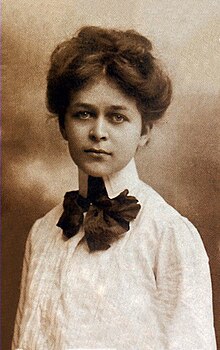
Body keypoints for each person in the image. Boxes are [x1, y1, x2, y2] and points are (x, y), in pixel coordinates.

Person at [12, 26, 216, 350]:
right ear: (64, 125)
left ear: (144, 131)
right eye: (83, 114)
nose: (98, 132)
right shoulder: (42, 234)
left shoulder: (168, 235)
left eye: (117, 117)